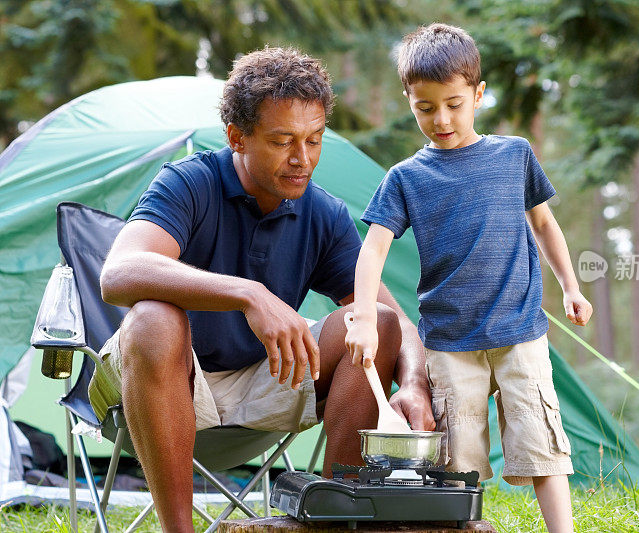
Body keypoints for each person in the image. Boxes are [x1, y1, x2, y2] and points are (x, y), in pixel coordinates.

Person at [89, 46, 434, 533]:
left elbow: (394, 320)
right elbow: (118, 273)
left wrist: (415, 383)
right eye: (282, 141)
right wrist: (249, 293)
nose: (303, 159)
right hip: (159, 377)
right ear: (237, 137)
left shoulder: (324, 214)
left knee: (373, 322)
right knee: (153, 318)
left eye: (314, 140)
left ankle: (336, 520)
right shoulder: (189, 184)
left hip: (262, 380)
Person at [345, 24, 592, 533]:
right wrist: (365, 317)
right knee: (459, 465)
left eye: (454, 104)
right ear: (409, 101)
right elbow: (372, 250)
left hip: (520, 331)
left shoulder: (513, 155)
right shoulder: (406, 178)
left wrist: (570, 285)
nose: (442, 119)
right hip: (450, 343)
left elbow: (544, 223)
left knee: (541, 445)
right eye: (426, 107)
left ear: (478, 95)